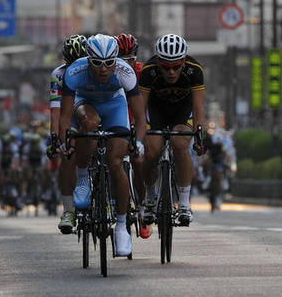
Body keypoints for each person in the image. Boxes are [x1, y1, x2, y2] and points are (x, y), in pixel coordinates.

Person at [58, 34, 146, 256]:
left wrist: (139, 142)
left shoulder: (125, 72)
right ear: (88, 60)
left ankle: (121, 227)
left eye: (109, 63)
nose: (104, 69)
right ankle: (82, 180)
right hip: (84, 103)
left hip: (114, 105)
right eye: (97, 63)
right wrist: (64, 142)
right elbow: (64, 116)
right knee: (89, 124)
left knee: (116, 162)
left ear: (116, 60)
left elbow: (139, 117)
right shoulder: (74, 72)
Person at [139, 34, 206, 226]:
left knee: (180, 143)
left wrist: (200, 137)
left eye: (176, 66)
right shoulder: (148, 71)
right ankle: (150, 198)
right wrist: (137, 135)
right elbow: (140, 107)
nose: (171, 72)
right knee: (151, 152)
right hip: (156, 113)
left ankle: (184, 204)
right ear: (158, 62)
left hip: (182, 113)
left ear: (183, 61)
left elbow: (199, 107)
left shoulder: (194, 70)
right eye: (165, 67)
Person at [48, 34, 87, 233]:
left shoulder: (94, 69)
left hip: (91, 114)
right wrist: (55, 137)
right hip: (69, 117)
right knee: (67, 157)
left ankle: (108, 202)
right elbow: (56, 111)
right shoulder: (59, 74)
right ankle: (68, 210)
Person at [115, 33, 150, 239]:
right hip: (116, 118)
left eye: (130, 58)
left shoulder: (141, 72)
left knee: (138, 161)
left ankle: (143, 209)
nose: (126, 63)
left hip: (136, 118)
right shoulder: (108, 69)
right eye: (122, 58)